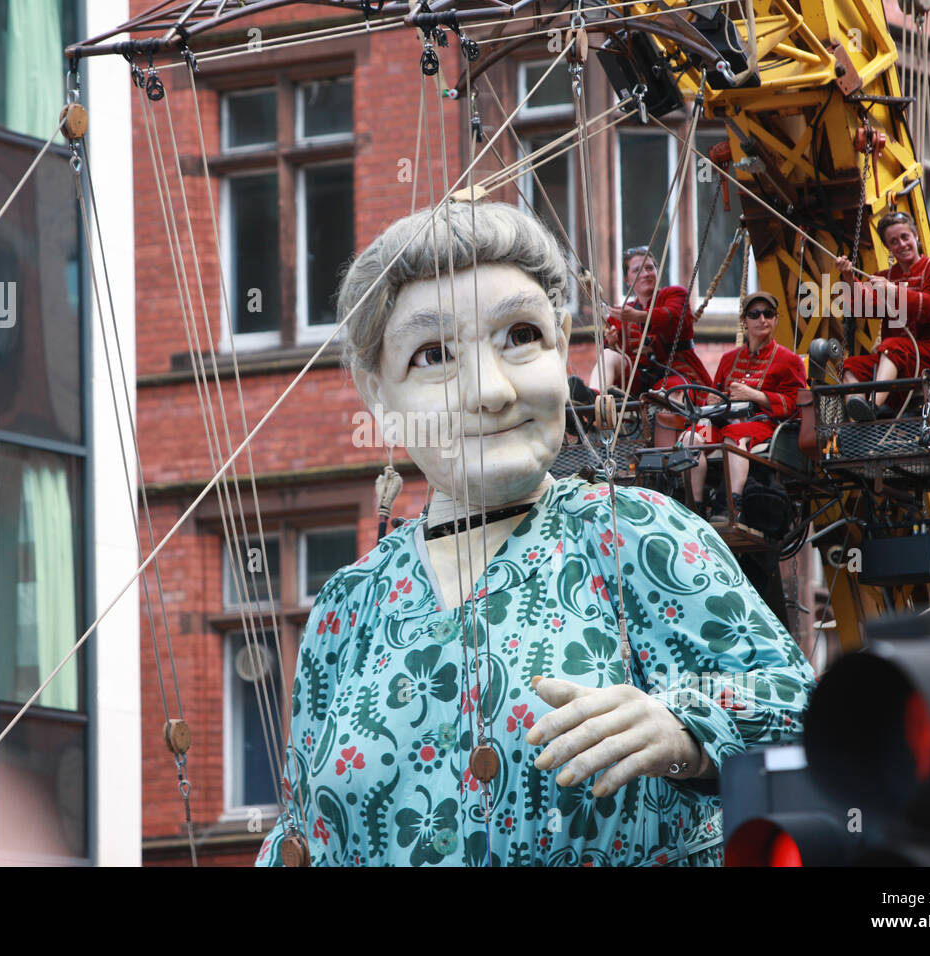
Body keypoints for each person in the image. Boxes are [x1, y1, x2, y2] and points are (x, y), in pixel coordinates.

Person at [255, 202, 815, 867]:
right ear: (379, 396)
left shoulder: (637, 535)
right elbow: (301, 835)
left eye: (519, 336)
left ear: (561, 345)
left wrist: (688, 733)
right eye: (435, 355)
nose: (489, 391)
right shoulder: (346, 610)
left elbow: (807, 716)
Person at [838, 211, 930, 420]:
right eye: (893, 241)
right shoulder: (885, 276)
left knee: (892, 346)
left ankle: (873, 407)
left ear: (916, 237)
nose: (901, 244)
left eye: (904, 237)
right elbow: (862, 307)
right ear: (888, 248)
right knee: (851, 366)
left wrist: (891, 290)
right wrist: (847, 277)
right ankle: (857, 424)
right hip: (895, 359)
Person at [680, 292, 806, 520]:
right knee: (691, 437)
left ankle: (730, 505)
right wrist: (711, 400)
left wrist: (755, 395)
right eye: (755, 314)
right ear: (744, 321)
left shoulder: (790, 360)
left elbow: (794, 406)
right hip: (722, 423)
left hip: (764, 425)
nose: (762, 320)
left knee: (734, 435)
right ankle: (694, 508)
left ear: (776, 319)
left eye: (768, 314)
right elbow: (713, 393)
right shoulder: (729, 359)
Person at [586, 247, 713, 399]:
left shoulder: (675, 294)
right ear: (627, 280)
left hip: (675, 373)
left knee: (670, 392)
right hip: (636, 380)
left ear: (656, 272)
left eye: (649, 268)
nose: (645, 274)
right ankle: (596, 399)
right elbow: (616, 358)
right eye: (637, 270)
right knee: (608, 355)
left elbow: (672, 316)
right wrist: (612, 345)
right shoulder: (621, 314)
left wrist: (638, 316)